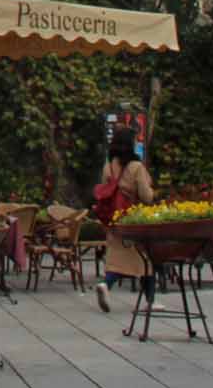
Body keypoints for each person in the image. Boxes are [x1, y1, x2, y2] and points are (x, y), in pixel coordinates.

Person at [92, 131, 155, 313]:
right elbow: (146, 196)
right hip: (133, 220)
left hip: (114, 219)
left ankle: (106, 284)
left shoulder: (108, 167)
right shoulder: (136, 167)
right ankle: (151, 300)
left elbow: (104, 191)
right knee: (146, 261)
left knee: (117, 260)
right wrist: (154, 194)